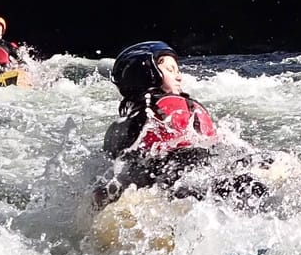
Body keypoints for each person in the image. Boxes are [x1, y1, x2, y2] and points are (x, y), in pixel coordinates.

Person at [96, 39, 271, 205]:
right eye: (170, 70)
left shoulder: (118, 127)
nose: (179, 77)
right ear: (148, 74)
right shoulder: (174, 106)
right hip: (189, 180)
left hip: (156, 185)